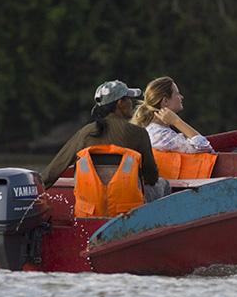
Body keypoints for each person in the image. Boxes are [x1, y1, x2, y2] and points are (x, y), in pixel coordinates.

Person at [39, 80, 171, 210]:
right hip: (127, 207)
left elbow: (53, 171)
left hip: (92, 206)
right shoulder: (139, 133)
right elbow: (151, 177)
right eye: (128, 99)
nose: (131, 103)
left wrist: (35, 190)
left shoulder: (85, 134)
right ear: (120, 104)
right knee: (163, 184)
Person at [131, 76, 214, 154]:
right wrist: (176, 121)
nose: (181, 97)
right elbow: (204, 147)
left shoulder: (156, 131)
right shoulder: (160, 135)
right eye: (177, 94)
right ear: (166, 101)